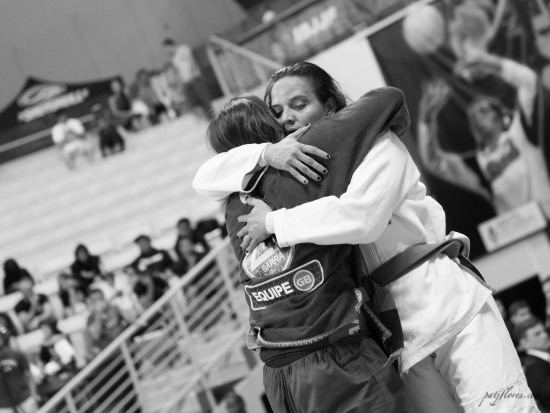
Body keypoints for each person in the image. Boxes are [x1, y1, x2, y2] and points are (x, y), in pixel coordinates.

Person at [194, 62, 537, 412]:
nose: (288, 119)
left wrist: (274, 223)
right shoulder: (300, 173)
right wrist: (266, 152)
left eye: (299, 105)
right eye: (277, 112)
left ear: (330, 107)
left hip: (445, 299)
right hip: (390, 332)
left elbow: (363, 219)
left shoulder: (378, 140)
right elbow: (205, 178)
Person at [201, 89, 413, 411]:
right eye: (277, 112)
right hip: (334, 355)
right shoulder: (310, 155)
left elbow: (204, 177)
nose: (287, 118)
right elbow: (389, 100)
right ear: (270, 128)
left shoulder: (232, 206)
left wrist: (261, 156)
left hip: (276, 374)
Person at [417, 49, 550, 217]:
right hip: (520, 235)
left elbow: (529, 82)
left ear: (501, 115)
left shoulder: (521, 131)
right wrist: (426, 122)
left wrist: (490, 62)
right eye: (472, 116)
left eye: (483, 110)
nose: (477, 117)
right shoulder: (479, 163)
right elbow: (434, 162)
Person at [0, 330, 38, 413]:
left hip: (25, 399)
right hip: (5, 406)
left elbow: (29, 376)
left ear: (2, 339)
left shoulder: (17, 355)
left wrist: (34, 395)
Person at [162, 38, 212, 118]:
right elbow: (178, 72)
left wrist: (192, 74)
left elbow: (191, 61)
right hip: (187, 83)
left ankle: (211, 118)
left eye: (166, 49)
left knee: (205, 101)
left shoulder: (183, 49)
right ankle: (205, 119)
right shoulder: (173, 59)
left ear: (170, 45)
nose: (167, 51)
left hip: (195, 79)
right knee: (192, 105)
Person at [515, 318, 550, 411]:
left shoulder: (541, 360)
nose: (545, 335)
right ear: (524, 343)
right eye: (537, 334)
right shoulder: (533, 368)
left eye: (544, 331)